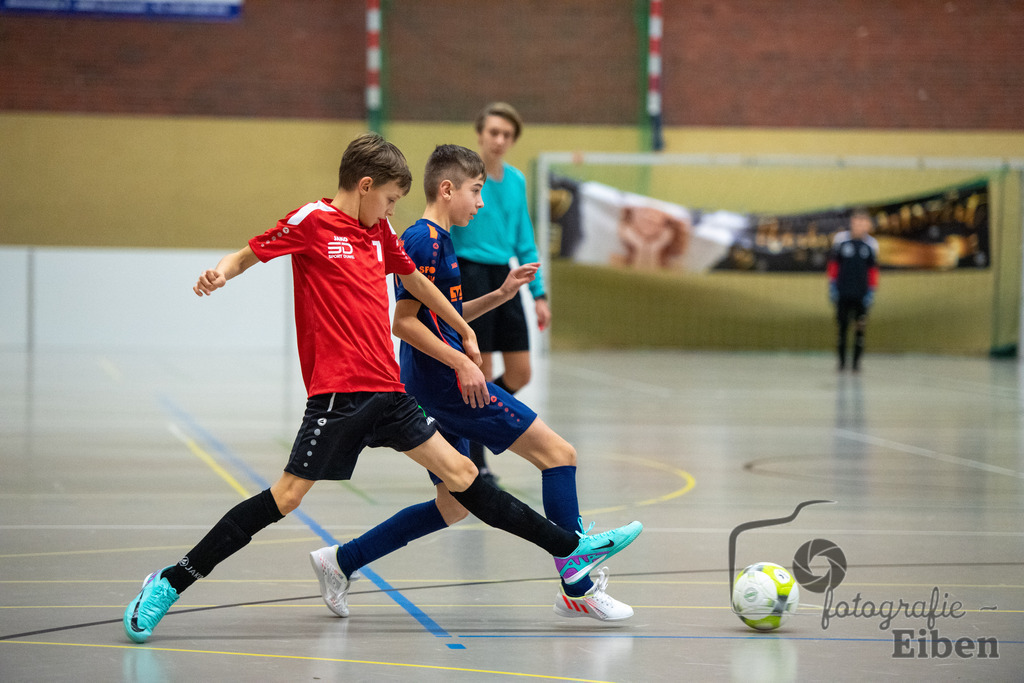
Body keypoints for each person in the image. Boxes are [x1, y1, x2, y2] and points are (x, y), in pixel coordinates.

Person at [122, 133, 643, 644]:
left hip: (391, 394)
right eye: (390, 199)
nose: (392, 210)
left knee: (463, 475)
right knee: (286, 497)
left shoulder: (381, 232)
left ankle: (569, 551)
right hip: (337, 396)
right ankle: (170, 581)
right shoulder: (312, 221)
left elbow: (415, 282)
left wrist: (462, 330)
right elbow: (247, 254)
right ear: (366, 185)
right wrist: (220, 273)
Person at [309, 145, 636, 622]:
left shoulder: (438, 240)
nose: (481, 203)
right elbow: (403, 322)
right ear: (447, 189)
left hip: (433, 385)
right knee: (558, 454)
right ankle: (577, 584)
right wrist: (461, 363)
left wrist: (501, 294)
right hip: (446, 386)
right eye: (476, 191)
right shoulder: (423, 240)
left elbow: (441, 314)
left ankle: (341, 561)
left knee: (453, 505)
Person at [450, 102, 548, 485]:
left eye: (507, 134)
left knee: (521, 372)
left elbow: (524, 238)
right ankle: (477, 461)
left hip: (504, 277)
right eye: (494, 132)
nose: (500, 140)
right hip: (470, 274)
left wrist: (539, 294)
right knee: (483, 372)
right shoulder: (463, 178)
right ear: (480, 134)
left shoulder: (516, 181)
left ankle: (469, 423)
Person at [828, 208, 879, 372]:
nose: (859, 226)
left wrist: (871, 291)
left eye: (863, 223)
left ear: (868, 225)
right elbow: (834, 266)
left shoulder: (870, 245)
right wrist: (832, 286)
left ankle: (856, 364)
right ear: (852, 223)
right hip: (843, 293)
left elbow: (873, 271)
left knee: (859, 329)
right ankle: (842, 363)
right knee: (842, 329)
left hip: (861, 295)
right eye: (857, 222)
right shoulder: (841, 241)